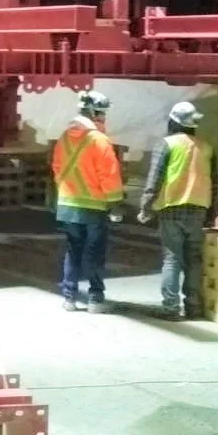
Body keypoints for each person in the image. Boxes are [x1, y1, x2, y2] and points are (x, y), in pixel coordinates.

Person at [138, 101, 218, 320]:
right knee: (193, 259)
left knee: (172, 258)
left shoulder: (167, 144)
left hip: (172, 208)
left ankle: (171, 308)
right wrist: (212, 213)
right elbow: (214, 182)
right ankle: (193, 307)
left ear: (173, 121)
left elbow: (154, 179)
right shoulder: (207, 147)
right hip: (199, 208)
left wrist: (145, 207)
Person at [51, 90, 124, 313]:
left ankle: (69, 298)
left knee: (73, 251)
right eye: (101, 113)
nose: (104, 118)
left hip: (68, 206)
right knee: (94, 253)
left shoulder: (65, 138)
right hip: (93, 207)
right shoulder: (99, 141)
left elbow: (56, 167)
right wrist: (115, 204)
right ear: (93, 113)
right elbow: (109, 176)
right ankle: (95, 298)